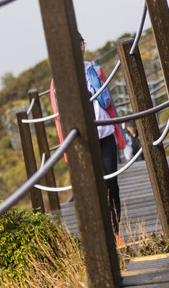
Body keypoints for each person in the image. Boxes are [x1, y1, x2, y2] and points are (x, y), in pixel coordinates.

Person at [49, 32, 127, 236]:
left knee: (112, 184)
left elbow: (109, 105)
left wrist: (119, 134)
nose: (79, 48)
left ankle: (115, 233)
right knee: (93, 187)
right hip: (82, 140)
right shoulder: (59, 81)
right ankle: (101, 235)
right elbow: (59, 118)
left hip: (105, 133)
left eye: (81, 43)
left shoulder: (96, 70)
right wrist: (66, 149)